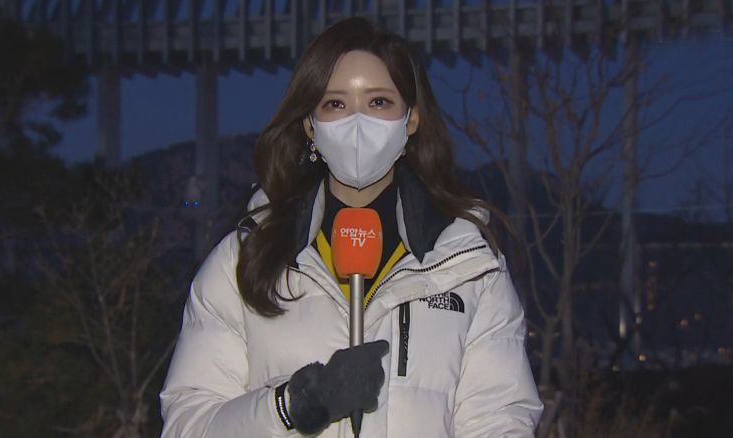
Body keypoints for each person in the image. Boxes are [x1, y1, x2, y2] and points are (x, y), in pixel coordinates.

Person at [160, 17, 543, 437]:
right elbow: (188, 425)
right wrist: (294, 406)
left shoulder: (469, 263)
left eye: (378, 102)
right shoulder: (245, 259)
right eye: (335, 105)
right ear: (310, 125)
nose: (357, 123)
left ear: (411, 119)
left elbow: (498, 421)